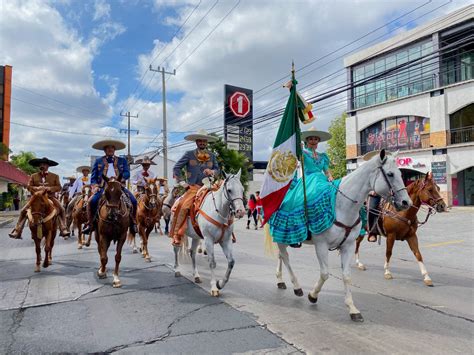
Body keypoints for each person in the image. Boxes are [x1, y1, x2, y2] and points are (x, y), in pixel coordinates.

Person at [269, 127, 333, 247]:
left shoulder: (323, 156)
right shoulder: (303, 153)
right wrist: (298, 148)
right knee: (293, 203)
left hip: (322, 180)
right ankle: (294, 234)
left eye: (316, 139)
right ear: (306, 141)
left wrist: (330, 177)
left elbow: (327, 171)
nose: (313, 141)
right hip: (307, 181)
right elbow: (292, 156)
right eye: (311, 139)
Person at [170, 129, 219, 247]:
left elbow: (218, 170)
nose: (202, 142)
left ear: (207, 142)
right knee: (182, 206)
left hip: (209, 187)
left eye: (204, 141)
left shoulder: (212, 156)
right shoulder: (189, 154)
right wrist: (182, 183)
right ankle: (177, 234)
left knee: (224, 201)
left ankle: (227, 232)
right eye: (200, 140)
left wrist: (212, 171)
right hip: (194, 188)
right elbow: (176, 168)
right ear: (196, 142)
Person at [82, 140, 137, 235]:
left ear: (115, 149)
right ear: (104, 150)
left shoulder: (122, 160)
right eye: (108, 148)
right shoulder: (98, 161)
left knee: (134, 201)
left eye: (112, 148)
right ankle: (90, 224)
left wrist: (121, 178)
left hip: (118, 187)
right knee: (91, 201)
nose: (110, 149)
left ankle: (133, 223)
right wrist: (95, 186)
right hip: (103, 187)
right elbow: (94, 177)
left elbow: (127, 173)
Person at [8, 157, 70, 239]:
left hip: (50, 197)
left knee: (61, 209)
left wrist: (49, 188)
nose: (42, 166)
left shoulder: (55, 176)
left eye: (44, 164)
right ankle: (17, 230)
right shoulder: (33, 176)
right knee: (23, 210)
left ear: (48, 166)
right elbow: (29, 186)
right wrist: (35, 188)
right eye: (40, 164)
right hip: (36, 198)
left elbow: (59, 187)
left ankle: (63, 228)